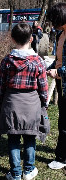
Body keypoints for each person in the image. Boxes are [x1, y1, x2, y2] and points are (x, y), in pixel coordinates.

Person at [0, 23, 49, 180]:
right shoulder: (38, 62)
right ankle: (29, 170)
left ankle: (16, 173)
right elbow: (43, 88)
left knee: (13, 138)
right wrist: (44, 104)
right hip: (32, 105)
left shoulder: (6, 61)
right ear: (31, 39)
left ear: (12, 39)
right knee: (30, 137)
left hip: (11, 105)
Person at [46, 2, 66, 170]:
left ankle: (62, 158)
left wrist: (58, 72)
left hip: (63, 80)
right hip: (62, 83)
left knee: (65, 122)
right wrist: (49, 67)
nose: (52, 25)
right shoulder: (62, 34)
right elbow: (59, 59)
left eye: (54, 20)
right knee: (63, 120)